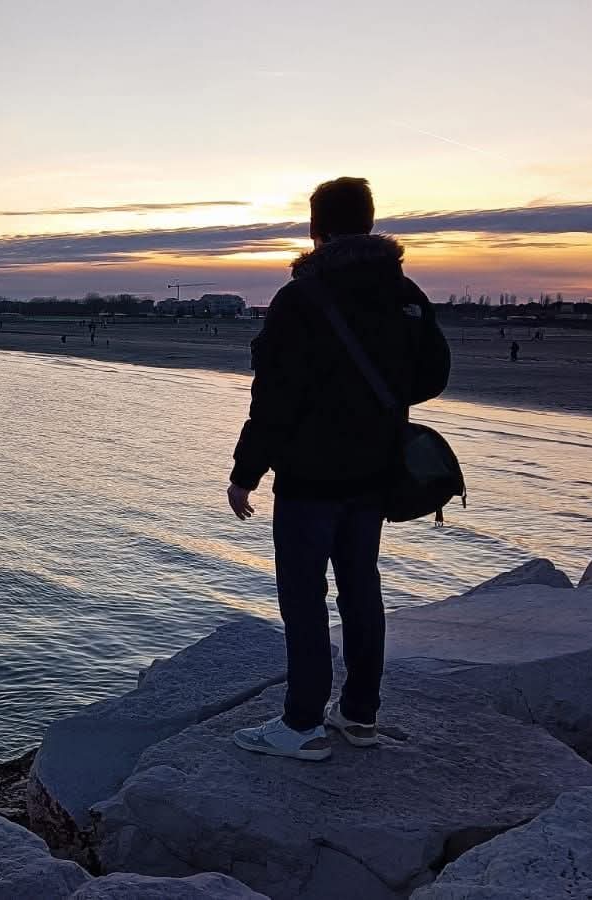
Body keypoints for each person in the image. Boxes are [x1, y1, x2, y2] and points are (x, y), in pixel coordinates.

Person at [228, 177, 450, 761]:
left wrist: (246, 472)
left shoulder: (302, 298)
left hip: (310, 476)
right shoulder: (404, 292)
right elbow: (433, 376)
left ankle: (302, 723)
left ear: (316, 228)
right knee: (361, 590)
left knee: (304, 597)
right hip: (375, 470)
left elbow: (275, 398)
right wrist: (373, 403)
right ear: (370, 222)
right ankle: (359, 715)